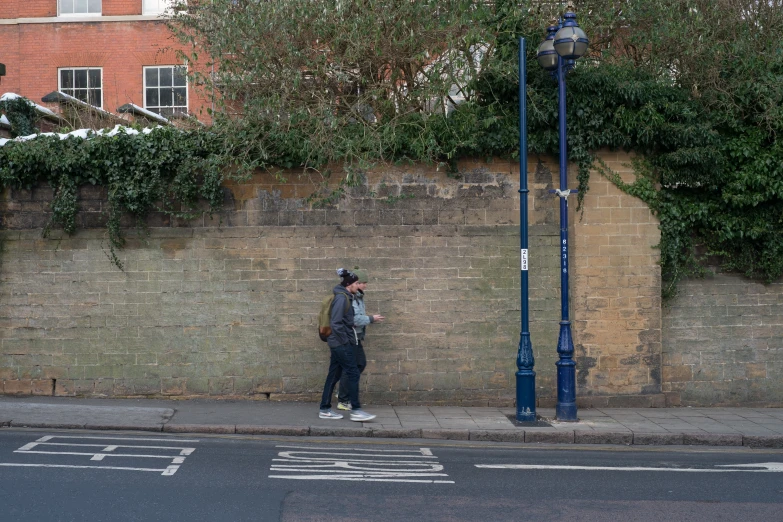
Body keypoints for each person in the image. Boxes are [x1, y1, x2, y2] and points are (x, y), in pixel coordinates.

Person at [318, 268, 376, 422]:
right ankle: (356, 410)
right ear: (349, 284)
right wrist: (345, 341)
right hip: (341, 343)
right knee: (353, 373)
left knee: (333, 375)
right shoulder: (342, 298)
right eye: (357, 283)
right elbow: (336, 323)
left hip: (339, 343)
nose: (359, 286)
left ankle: (324, 409)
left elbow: (345, 321)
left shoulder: (346, 296)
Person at [337, 267, 384, 411]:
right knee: (351, 367)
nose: (364, 285)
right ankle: (343, 400)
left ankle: (343, 394)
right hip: (350, 337)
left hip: (356, 337)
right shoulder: (351, 298)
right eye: (362, 282)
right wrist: (371, 318)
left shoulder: (358, 296)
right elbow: (355, 319)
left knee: (358, 365)